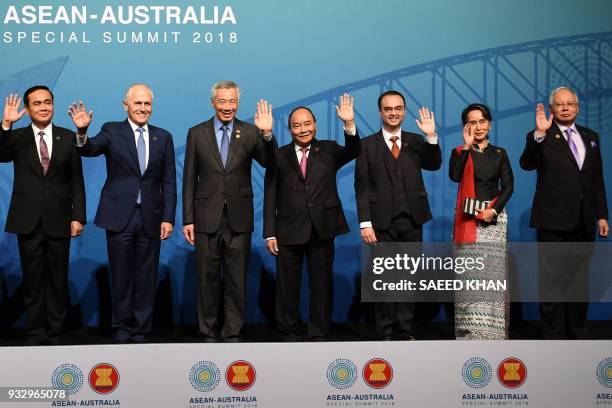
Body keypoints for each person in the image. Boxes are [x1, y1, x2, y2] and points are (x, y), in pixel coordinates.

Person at [69, 84, 177, 343]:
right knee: (121, 275)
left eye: (147, 104)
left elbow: (169, 181)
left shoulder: (163, 136)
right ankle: (122, 326)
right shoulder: (111, 131)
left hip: (151, 216)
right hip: (120, 216)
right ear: (125, 105)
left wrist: (168, 217)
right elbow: (89, 149)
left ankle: (142, 328)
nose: (143, 108)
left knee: (146, 275)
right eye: (138, 103)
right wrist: (82, 131)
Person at [182, 80, 277, 343]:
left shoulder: (250, 132)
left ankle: (233, 331)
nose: (227, 107)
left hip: (239, 217)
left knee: (236, 280)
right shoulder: (196, 133)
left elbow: (270, 162)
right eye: (222, 101)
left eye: (232, 101)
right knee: (206, 280)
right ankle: (208, 331)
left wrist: (267, 135)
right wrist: (188, 218)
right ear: (213, 102)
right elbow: (189, 178)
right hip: (205, 217)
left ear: (238, 102)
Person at [263, 95, 360, 341]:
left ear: (315, 125)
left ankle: (318, 332)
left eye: (307, 124)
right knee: (287, 287)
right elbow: (270, 194)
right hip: (287, 229)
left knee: (321, 285)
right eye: (297, 125)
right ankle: (289, 330)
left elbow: (354, 150)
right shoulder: (279, 154)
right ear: (290, 129)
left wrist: (349, 125)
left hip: (322, 228)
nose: (303, 129)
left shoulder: (328, 149)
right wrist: (269, 231)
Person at [520, 87, 608, 339]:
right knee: (551, 283)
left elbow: (596, 179)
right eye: (560, 104)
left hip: (584, 220)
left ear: (577, 107)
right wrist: (539, 133)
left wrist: (602, 214)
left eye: (570, 104)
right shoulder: (542, 136)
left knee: (579, 282)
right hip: (552, 221)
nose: (566, 108)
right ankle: (553, 337)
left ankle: (578, 335)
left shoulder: (591, 136)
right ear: (552, 109)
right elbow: (527, 163)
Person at [0, 87, 85, 345]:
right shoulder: (17, 138)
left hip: (59, 218)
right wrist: (5, 124)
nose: (43, 107)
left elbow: (77, 182)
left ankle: (57, 331)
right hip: (28, 219)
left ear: (53, 105)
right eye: (37, 103)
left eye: (47, 102)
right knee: (33, 279)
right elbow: (1, 155)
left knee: (58, 278)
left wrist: (78, 216)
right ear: (28, 109)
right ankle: (36, 330)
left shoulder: (68, 137)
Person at [355, 90, 442, 340]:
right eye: (388, 109)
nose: (394, 113)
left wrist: (431, 137)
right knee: (384, 277)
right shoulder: (366, 145)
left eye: (398, 108)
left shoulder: (417, 141)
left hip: (413, 218)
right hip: (380, 222)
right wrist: (365, 223)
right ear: (380, 112)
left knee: (407, 277)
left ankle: (405, 330)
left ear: (404, 111)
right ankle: (385, 330)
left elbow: (434, 164)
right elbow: (361, 186)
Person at [449, 103, 514, 340]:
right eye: (471, 122)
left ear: (489, 124)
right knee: (470, 280)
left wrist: (494, 211)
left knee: (491, 279)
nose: (477, 127)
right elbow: (455, 176)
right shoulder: (459, 152)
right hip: (467, 222)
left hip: (493, 222)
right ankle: (469, 333)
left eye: (481, 121)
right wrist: (466, 147)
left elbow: (509, 186)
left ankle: (493, 335)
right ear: (465, 126)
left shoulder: (499, 153)